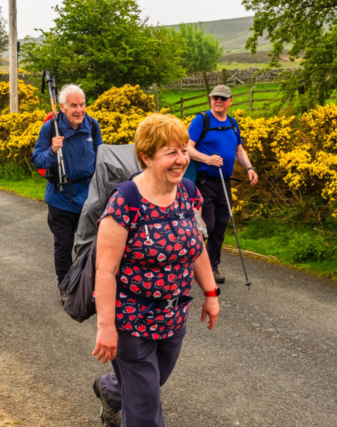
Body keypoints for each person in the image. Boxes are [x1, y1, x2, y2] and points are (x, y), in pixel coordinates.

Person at [92, 114, 220, 427]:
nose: (181, 160)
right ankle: (122, 397)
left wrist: (211, 293)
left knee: (150, 384)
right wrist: (106, 327)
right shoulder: (126, 201)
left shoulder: (189, 193)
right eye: (171, 153)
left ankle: (110, 389)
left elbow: (196, 248)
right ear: (146, 157)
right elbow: (105, 271)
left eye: (184, 151)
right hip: (132, 320)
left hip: (174, 317)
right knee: (146, 408)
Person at [32, 84, 103, 291]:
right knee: (63, 246)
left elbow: (101, 157)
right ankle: (65, 287)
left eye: (82, 104)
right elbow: (38, 159)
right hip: (60, 197)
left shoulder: (92, 125)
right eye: (74, 106)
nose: (79, 110)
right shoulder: (50, 128)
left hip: (88, 198)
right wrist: (53, 151)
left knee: (89, 245)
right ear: (62, 107)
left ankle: (86, 286)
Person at [187, 85, 258, 284]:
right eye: (215, 97)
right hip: (203, 181)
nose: (218, 100)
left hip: (224, 183)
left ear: (230, 101)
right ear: (210, 99)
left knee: (221, 225)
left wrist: (250, 168)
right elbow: (187, 147)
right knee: (207, 225)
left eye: (223, 98)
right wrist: (206, 159)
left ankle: (212, 267)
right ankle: (194, 263)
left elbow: (239, 151)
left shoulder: (233, 123)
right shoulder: (201, 120)